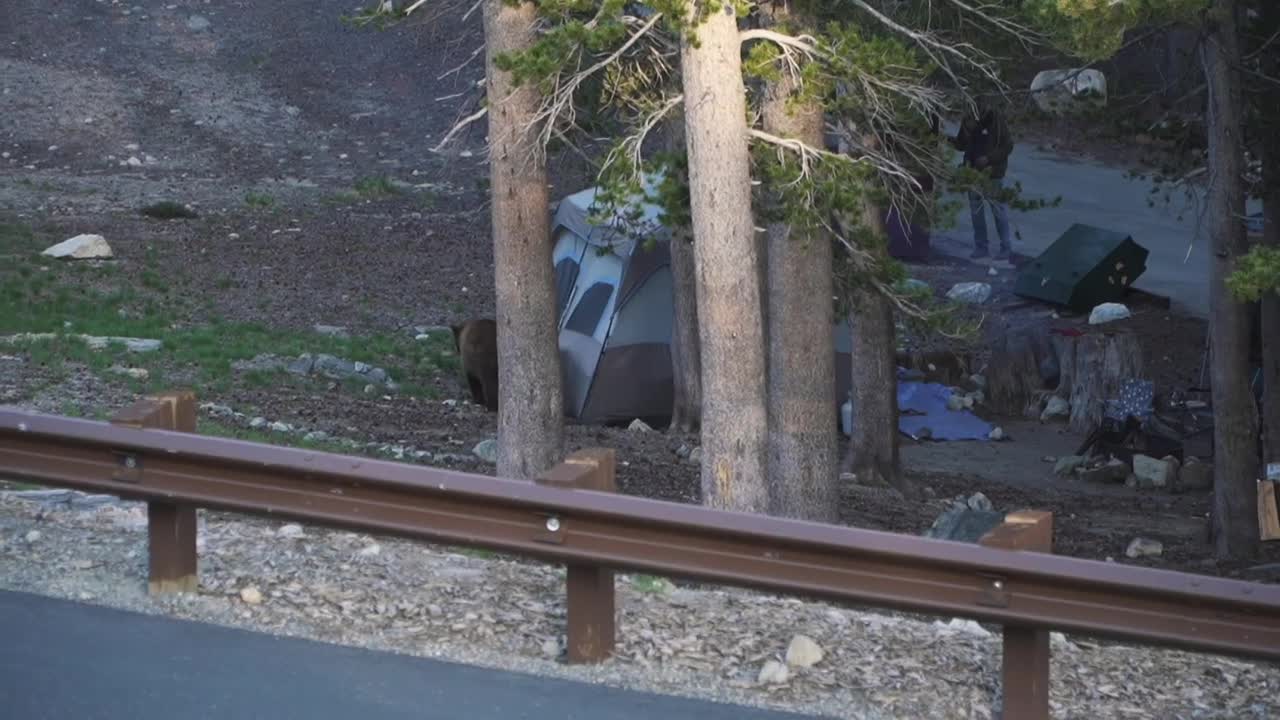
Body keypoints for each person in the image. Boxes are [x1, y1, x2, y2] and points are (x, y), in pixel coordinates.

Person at [951, 94, 1015, 261]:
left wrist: (989, 159)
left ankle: (1006, 248)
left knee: (997, 210)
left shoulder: (995, 119)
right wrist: (947, 138)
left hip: (992, 172)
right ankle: (981, 247)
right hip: (972, 171)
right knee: (976, 212)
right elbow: (961, 144)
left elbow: (1008, 145)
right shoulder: (967, 119)